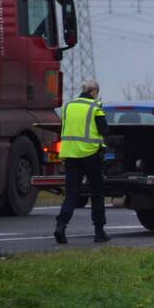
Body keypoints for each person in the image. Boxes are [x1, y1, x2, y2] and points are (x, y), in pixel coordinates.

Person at [54, 79, 110, 244]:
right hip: (91, 155)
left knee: (71, 193)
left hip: (71, 155)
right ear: (94, 91)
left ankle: (60, 226)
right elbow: (105, 130)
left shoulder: (68, 107)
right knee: (97, 194)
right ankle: (99, 232)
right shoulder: (95, 107)